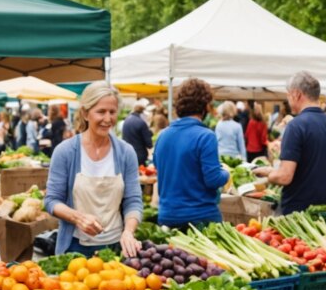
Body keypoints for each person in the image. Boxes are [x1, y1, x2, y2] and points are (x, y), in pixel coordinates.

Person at [45, 82, 142, 258]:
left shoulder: (126, 152)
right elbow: (52, 200)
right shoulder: (65, 151)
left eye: (112, 112)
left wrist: (128, 231)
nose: (108, 119)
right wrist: (78, 218)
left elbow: (133, 200)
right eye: (101, 112)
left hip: (116, 247)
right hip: (75, 248)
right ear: (85, 113)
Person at [253, 71, 326, 215]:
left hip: (298, 214)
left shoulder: (296, 126)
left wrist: (270, 174)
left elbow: (285, 177)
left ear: (296, 94)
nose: (288, 100)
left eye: (288, 95)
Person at [154, 78, 229, 229]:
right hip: (200, 217)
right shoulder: (205, 136)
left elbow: (159, 169)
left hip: (167, 216)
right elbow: (213, 180)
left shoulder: (163, 135)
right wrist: (226, 173)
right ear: (205, 105)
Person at [121, 102, 153, 166]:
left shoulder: (126, 120)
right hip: (139, 155)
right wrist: (150, 133)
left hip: (127, 153)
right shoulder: (141, 122)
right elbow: (149, 144)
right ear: (142, 112)